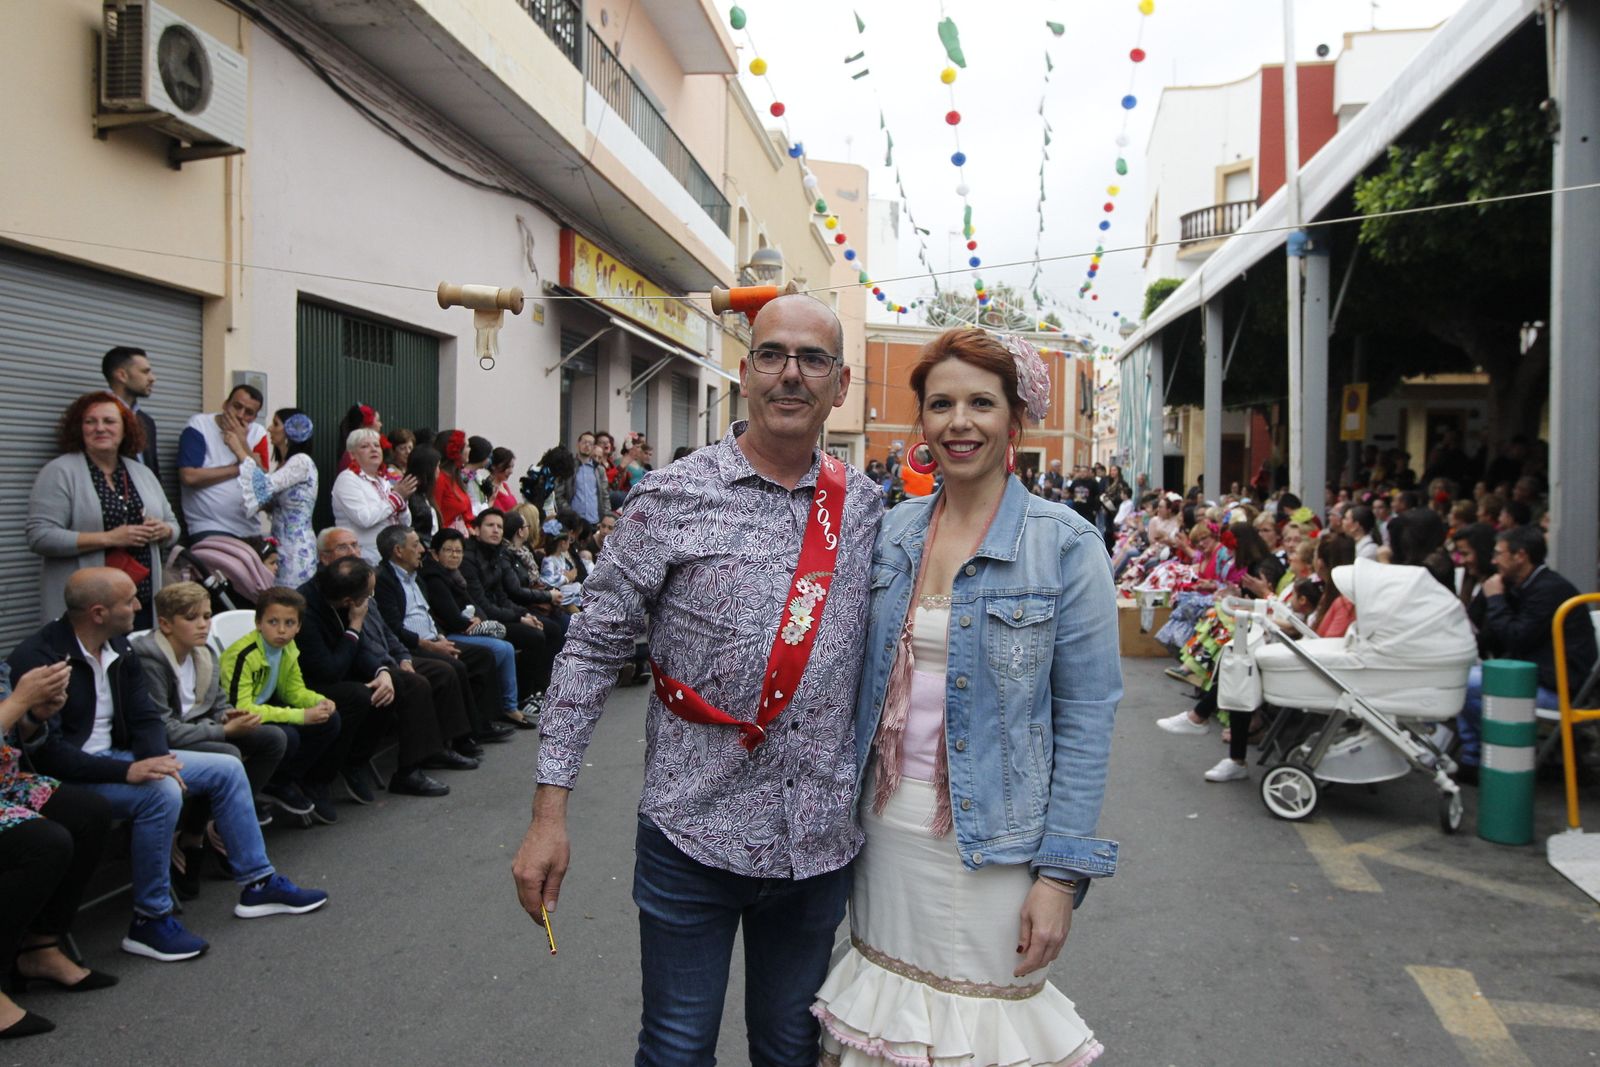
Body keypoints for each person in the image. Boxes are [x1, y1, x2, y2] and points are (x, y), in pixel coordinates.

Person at [513, 293, 881, 1066]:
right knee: (677, 1049)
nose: (792, 375)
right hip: (691, 834)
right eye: (773, 354)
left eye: (813, 359)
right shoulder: (670, 496)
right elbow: (586, 652)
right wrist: (550, 811)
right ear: (743, 373)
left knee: (791, 1049)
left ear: (841, 385)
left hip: (815, 844)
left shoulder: (867, 510)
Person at [811, 328, 1116, 1066]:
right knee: (890, 1030)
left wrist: (1059, 876)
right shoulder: (891, 533)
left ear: (1016, 420)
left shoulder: (1066, 544)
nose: (960, 422)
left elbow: (1087, 717)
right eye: (941, 403)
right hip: (884, 827)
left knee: (978, 1038)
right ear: (920, 422)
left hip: (998, 844)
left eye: (982, 402)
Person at [7, 569, 328, 962]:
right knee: (160, 792)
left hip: (122, 757)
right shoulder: (40, 658)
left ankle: (258, 883)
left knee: (225, 769)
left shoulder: (118, 647)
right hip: (75, 773)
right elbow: (47, 752)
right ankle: (150, 919)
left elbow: (145, 718)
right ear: (97, 612)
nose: (139, 605)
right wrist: (130, 771)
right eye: (129, 601)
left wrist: (155, 757)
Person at [0, 661, 117, 1040]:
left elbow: (13, 739)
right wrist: (20, 702)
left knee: (89, 813)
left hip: (6, 781)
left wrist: (35, 715)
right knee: (44, 844)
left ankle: (40, 945)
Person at [294, 552, 466, 799]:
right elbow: (328, 670)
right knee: (386, 690)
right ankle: (367, 767)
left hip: (349, 663)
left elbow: (363, 646)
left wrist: (381, 670)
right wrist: (354, 627)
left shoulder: (343, 598)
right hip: (318, 679)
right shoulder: (307, 610)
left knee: (395, 683)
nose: (370, 599)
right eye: (367, 595)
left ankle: (405, 761)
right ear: (348, 601)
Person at [133, 582, 289, 839]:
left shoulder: (203, 652)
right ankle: (192, 832)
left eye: (206, 616)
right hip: (168, 740)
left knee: (273, 738)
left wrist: (228, 715)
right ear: (166, 624)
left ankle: (222, 819)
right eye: (191, 618)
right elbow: (162, 728)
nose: (203, 624)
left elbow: (218, 702)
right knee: (227, 753)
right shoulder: (150, 662)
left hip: (201, 728)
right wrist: (223, 729)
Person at [1455, 526, 1598, 782]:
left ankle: (1476, 759)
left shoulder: (1549, 590)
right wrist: (1486, 601)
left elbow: (1516, 637)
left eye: (1499, 554)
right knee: (1458, 675)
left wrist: (1496, 599)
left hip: (1558, 688)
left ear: (1520, 555)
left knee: (1465, 685)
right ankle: (1479, 754)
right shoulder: (1519, 586)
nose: (1493, 560)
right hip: (1534, 675)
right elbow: (1484, 634)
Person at [28, 392, 180, 630]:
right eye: (90, 422)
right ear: (79, 428)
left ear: (125, 429)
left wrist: (164, 530)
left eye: (109, 421)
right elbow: (40, 536)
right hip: (89, 606)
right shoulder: (60, 471)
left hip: (139, 600)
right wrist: (109, 538)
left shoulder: (141, 473)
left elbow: (173, 523)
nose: (100, 428)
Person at [373, 526, 516, 748]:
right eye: (415, 545)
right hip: (412, 645)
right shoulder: (385, 580)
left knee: (482, 656)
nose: (421, 550)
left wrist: (439, 638)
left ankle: (482, 724)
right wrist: (430, 645)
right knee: (452, 668)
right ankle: (456, 739)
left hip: (434, 638)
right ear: (398, 551)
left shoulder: (415, 577)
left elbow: (429, 614)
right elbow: (392, 627)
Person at [216, 587, 344, 824]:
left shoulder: (288, 648)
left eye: (289, 622)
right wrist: (300, 715)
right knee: (288, 735)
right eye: (273, 622)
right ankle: (252, 792)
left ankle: (279, 781)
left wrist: (317, 701)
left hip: (263, 711)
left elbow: (293, 691)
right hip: (234, 721)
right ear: (258, 623)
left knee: (330, 720)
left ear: (299, 626)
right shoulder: (243, 654)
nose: (282, 630)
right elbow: (241, 709)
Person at [420, 529, 529, 735]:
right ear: (435, 554)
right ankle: (485, 718)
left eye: (458, 551)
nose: (454, 555)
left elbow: (473, 606)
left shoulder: (456, 576)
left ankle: (510, 707)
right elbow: (451, 616)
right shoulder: (435, 578)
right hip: (448, 633)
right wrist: (471, 621)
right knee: (496, 650)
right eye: (448, 550)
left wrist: (477, 619)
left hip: (463, 628)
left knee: (505, 647)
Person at [460, 509, 555, 725]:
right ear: (476, 529)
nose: (495, 530)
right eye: (489, 525)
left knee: (546, 627)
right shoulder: (469, 559)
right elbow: (483, 604)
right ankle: (524, 696)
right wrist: (519, 618)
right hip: (484, 618)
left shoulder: (496, 555)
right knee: (534, 636)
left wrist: (523, 614)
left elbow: (502, 597)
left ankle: (541, 688)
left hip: (500, 613)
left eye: (499, 526)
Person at [237, 409, 319, 588]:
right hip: (280, 546)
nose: (269, 429)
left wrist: (239, 448)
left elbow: (263, 486)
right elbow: (265, 495)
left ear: (291, 429)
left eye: (275, 424)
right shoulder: (287, 465)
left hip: (296, 549)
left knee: (292, 601)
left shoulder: (301, 461)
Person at [178, 385, 271, 541]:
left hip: (249, 528)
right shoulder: (199, 425)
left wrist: (242, 443)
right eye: (237, 406)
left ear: (254, 418)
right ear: (225, 404)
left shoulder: (257, 433)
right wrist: (241, 467)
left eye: (249, 413)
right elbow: (189, 477)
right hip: (210, 526)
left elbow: (264, 487)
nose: (240, 415)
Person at [332, 428, 416, 564]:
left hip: (389, 556)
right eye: (365, 446)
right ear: (352, 455)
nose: (373, 449)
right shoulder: (347, 479)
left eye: (376, 445)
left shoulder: (383, 480)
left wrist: (402, 502)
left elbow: (406, 523)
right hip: (362, 558)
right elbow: (364, 519)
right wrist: (396, 498)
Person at [101, 346, 160, 478]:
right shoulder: (94, 418)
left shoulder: (146, 421)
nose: (152, 378)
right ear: (122, 375)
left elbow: (153, 473)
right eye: (145, 372)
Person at [561, 431, 610, 531]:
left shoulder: (599, 470)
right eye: (584, 442)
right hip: (574, 522)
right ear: (578, 444)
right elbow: (559, 495)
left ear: (593, 447)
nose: (587, 446)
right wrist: (569, 513)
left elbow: (605, 495)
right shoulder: (569, 467)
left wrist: (606, 517)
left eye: (590, 443)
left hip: (594, 522)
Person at [434, 430, 477, 533]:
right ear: (456, 451)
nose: (470, 449)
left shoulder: (456, 478)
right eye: (467, 446)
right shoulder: (440, 479)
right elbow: (436, 516)